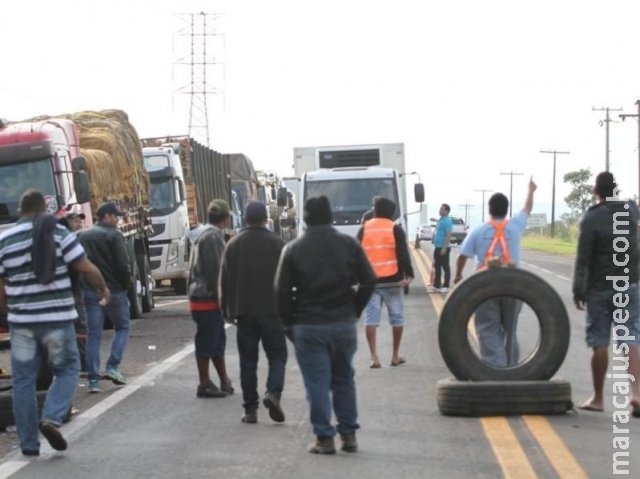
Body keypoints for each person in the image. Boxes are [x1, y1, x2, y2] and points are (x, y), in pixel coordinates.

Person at [0, 189, 109, 455]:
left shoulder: (4, 239)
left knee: (23, 381)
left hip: (23, 322)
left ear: (20, 212)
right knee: (68, 369)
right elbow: (86, 267)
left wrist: (7, 313)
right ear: (44, 210)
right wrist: (103, 289)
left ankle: (28, 443)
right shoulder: (59, 235)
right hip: (57, 320)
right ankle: (51, 417)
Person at [275, 195, 376, 455]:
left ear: (305, 218)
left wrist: (288, 324)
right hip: (343, 322)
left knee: (317, 382)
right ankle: (349, 434)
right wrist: (354, 309)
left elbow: (281, 291)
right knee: (344, 379)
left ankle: (324, 438)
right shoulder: (348, 244)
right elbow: (369, 280)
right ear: (331, 215)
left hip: (308, 325)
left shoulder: (293, 249)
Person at [572, 172, 640, 416]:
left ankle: (599, 398)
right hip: (629, 285)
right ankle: (637, 393)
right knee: (630, 335)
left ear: (595, 191)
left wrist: (578, 289)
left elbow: (583, 259)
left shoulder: (591, 219)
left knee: (600, 341)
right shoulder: (630, 210)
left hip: (600, 288)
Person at [453, 178, 537, 367]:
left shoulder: (478, 230)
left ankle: (495, 369)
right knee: (510, 329)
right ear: (506, 210)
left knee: (488, 329)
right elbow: (527, 209)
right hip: (514, 285)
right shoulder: (515, 226)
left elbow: (462, 256)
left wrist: (458, 276)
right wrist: (530, 190)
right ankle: (511, 369)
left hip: (486, 285)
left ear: (490, 209)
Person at [220, 201, 287, 423]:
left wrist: (226, 310)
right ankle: (273, 393)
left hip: (244, 313)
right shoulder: (278, 243)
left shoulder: (234, 244)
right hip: (273, 312)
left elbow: (225, 279)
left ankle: (250, 410)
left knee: (248, 362)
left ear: (246, 219)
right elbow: (288, 279)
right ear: (266, 218)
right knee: (277, 356)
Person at [77, 202, 132, 393]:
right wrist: (127, 286)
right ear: (106, 216)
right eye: (115, 216)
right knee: (123, 327)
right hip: (114, 291)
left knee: (93, 334)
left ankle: (93, 380)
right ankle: (112, 367)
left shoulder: (82, 236)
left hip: (90, 291)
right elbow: (122, 264)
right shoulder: (114, 235)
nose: (117, 220)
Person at [357, 196, 414, 369]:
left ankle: (374, 357)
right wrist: (408, 276)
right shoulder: (395, 229)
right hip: (393, 280)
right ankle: (395, 355)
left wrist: (357, 278)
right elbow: (403, 255)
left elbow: (357, 255)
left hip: (370, 282)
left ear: (376, 210)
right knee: (397, 317)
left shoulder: (364, 229)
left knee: (371, 319)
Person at [188, 199, 234, 398]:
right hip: (207, 298)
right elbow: (217, 273)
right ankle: (204, 383)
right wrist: (227, 301)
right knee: (209, 341)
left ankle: (224, 380)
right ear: (224, 219)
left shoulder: (201, 234)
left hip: (199, 297)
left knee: (217, 340)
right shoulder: (214, 237)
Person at [59, 209, 88, 374]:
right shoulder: (66, 240)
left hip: (69, 290)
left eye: (79, 220)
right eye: (75, 220)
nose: (79, 223)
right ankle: (82, 362)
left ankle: (79, 361)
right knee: (79, 326)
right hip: (71, 290)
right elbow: (84, 266)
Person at [431, 203, 453, 293]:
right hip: (438, 247)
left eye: (442, 209)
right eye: (440, 209)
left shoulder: (447, 221)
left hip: (443, 248)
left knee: (445, 267)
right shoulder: (441, 219)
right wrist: (435, 220)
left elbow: (448, 235)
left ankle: (446, 286)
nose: (440, 210)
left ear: (446, 211)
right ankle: (437, 285)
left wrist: (444, 248)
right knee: (437, 266)